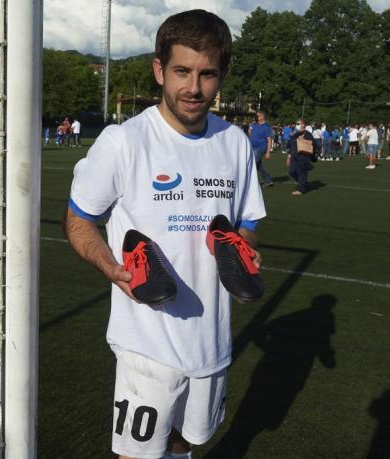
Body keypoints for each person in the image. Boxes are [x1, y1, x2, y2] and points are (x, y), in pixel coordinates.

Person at [64, 10, 265, 459]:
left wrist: (244, 252)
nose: (194, 88)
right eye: (182, 71)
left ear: (222, 75)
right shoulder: (124, 141)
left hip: (211, 339)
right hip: (146, 340)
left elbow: (247, 224)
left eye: (207, 74)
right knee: (137, 455)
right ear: (159, 69)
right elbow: (78, 220)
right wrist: (112, 268)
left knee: (186, 443)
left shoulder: (235, 143)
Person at [288, 117, 315, 195]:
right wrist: (289, 156)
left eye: (298, 124)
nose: (297, 125)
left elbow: (312, 144)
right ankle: (303, 183)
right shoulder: (295, 134)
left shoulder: (308, 134)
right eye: (296, 124)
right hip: (294, 157)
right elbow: (291, 145)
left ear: (303, 124)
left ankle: (301, 189)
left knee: (301, 173)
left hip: (303, 157)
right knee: (291, 172)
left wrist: (302, 139)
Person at [249, 111, 273, 186]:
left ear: (262, 117)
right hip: (253, 147)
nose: (256, 117)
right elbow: (251, 134)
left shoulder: (266, 127)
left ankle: (249, 182)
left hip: (260, 148)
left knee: (252, 164)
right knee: (259, 166)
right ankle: (268, 180)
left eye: (257, 116)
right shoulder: (255, 125)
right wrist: (250, 130)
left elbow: (269, 140)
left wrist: (268, 152)